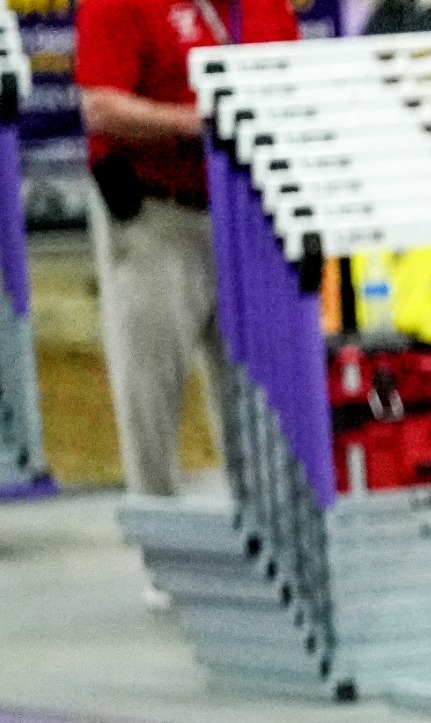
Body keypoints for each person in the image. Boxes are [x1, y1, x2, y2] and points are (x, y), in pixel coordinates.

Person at [75, 0, 300, 503]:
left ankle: (263, 530)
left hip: (246, 215)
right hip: (158, 214)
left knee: (254, 390)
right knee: (150, 389)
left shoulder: (267, 7)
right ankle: (159, 539)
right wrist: (194, 121)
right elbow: (100, 106)